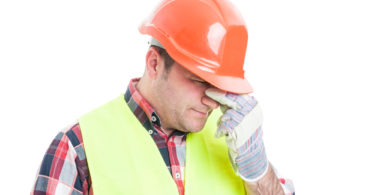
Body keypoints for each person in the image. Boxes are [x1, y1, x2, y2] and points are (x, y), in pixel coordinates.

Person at [31, 0, 295, 194]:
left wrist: (258, 173)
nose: (213, 100)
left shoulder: (236, 144)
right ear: (155, 64)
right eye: (200, 81)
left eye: (220, 85)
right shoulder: (77, 147)